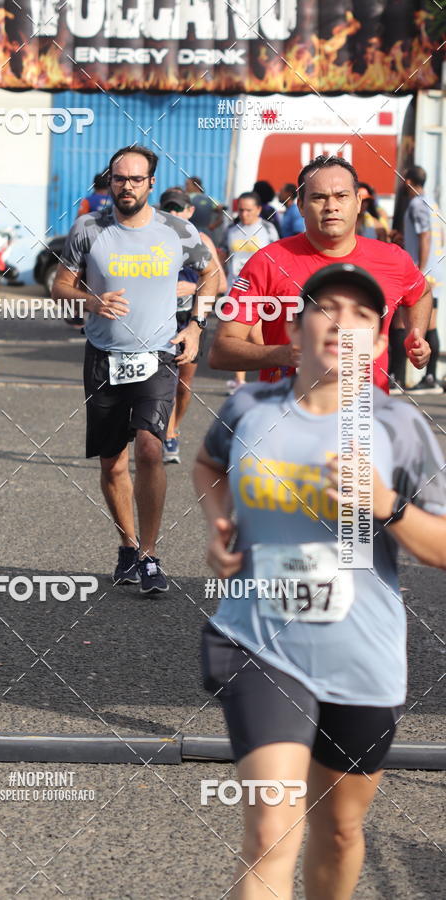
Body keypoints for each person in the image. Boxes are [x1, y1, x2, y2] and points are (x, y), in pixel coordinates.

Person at [194, 263, 446, 899]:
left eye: (362, 314)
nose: (342, 323)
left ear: (380, 338)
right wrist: (219, 520)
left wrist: (386, 505)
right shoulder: (248, 406)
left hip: (363, 656)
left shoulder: (400, 427)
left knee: (337, 828)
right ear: (298, 325)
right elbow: (206, 464)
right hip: (259, 642)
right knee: (272, 834)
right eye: (325, 308)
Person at [52, 146, 218, 593]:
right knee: (112, 463)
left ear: (150, 183)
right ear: (110, 182)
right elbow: (60, 283)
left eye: (136, 179)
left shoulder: (178, 230)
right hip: (104, 357)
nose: (127, 186)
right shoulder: (88, 228)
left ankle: (149, 555)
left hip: (158, 355)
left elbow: (212, 275)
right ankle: (127, 546)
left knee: (149, 448)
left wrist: (197, 328)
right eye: (119, 178)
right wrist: (92, 301)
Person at [209, 155, 432, 391]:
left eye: (341, 196)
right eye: (319, 197)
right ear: (301, 206)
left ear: (358, 202)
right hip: (289, 416)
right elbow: (221, 351)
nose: (331, 206)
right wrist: (283, 354)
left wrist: (415, 334)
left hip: (364, 417)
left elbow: (421, 293)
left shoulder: (393, 259)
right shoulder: (268, 262)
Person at [158, 187, 227, 464]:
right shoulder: (151, 240)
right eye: (168, 209)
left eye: (178, 209)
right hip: (158, 322)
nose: (173, 214)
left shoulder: (201, 240)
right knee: (161, 383)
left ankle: (174, 427)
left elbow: (220, 284)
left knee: (184, 385)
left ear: (189, 211)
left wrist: (193, 285)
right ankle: (165, 434)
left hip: (191, 322)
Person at [219, 192, 279, 393]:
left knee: (257, 335)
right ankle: (240, 381)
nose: (244, 214)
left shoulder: (268, 229)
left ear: (259, 210)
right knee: (237, 338)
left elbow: (278, 260)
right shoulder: (231, 230)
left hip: (262, 291)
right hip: (235, 289)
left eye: (248, 210)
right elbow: (222, 255)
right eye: (241, 210)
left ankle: (274, 375)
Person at [402, 164, 444, 394]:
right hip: (437, 270)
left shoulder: (417, 203)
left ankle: (428, 379)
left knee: (423, 324)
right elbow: (442, 236)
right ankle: (431, 378)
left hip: (425, 272)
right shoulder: (432, 203)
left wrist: (420, 268)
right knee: (432, 324)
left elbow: (425, 236)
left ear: (408, 182)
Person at [185, 176, 225, 244]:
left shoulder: (186, 198)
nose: (185, 186)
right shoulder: (210, 199)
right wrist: (216, 223)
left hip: (191, 233)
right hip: (204, 234)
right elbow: (221, 208)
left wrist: (217, 222)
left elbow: (220, 209)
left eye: (187, 184)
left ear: (196, 186)